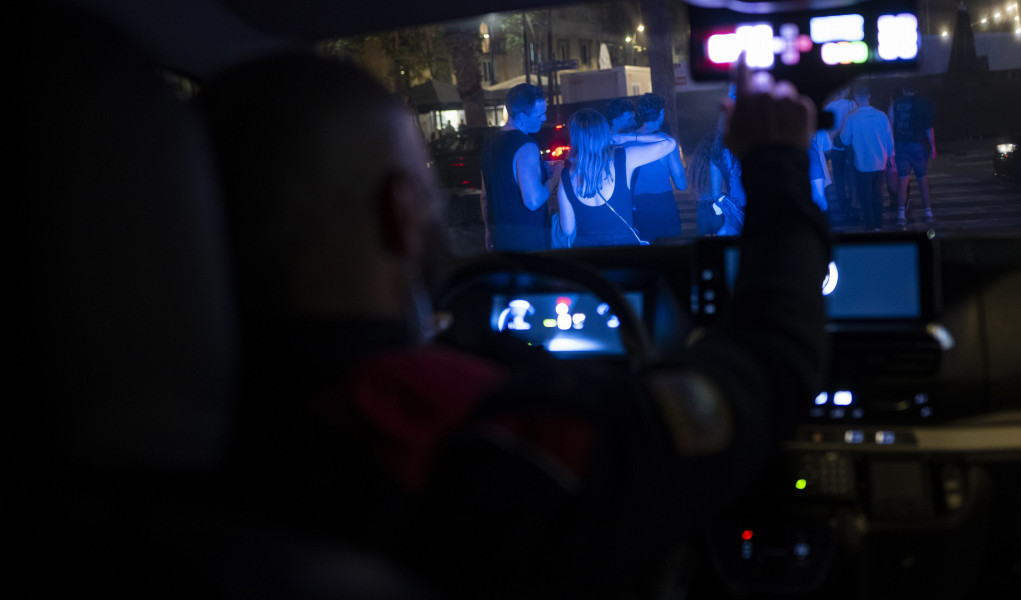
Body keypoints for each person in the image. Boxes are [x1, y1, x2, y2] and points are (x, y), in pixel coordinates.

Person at [202, 53, 829, 598]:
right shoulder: (482, 434)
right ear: (400, 211)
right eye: (425, 186)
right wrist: (776, 163)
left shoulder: (198, 428)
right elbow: (766, 375)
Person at [557, 108, 677, 247]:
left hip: (586, 250)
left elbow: (568, 229)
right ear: (604, 132)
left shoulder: (566, 176)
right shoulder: (623, 159)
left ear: (575, 137)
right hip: (623, 248)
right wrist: (627, 137)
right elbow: (669, 143)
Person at [480, 82, 562, 251]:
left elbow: (485, 196)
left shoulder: (489, 143)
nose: (544, 118)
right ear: (522, 117)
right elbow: (533, 201)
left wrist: (488, 230)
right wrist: (555, 176)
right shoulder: (527, 146)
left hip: (500, 239)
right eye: (539, 115)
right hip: (529, 240)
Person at [630, 93, 688, 241]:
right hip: (662, 204)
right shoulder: (666, 143)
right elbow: (681, 184)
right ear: (661, 113)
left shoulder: (625, 141)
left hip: (634, 205)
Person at [837, 84, 894, 231]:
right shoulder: (882, 116)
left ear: (856, 97)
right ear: (869, 96)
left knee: (865, 195)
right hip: (880, 162)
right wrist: (890, 157)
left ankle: (870, 226)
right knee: (878, 193)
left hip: (862, 163)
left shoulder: (852, 117)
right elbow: (889, 139)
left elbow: (844, 140)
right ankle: (878, 224)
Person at [888, 82, 937, 224]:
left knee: (903, 181)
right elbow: (929, 128)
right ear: (916, 90)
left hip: (901, 145)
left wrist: (891, 148)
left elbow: (890, 127)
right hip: (918, 144)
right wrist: (933, 147)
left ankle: (901, 215)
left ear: (904, 90)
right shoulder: (923, 103)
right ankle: (928, 213)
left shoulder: (895, 104)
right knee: (922, 180)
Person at [823, 88, 858, 221]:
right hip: (850, 148)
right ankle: (853, 207)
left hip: (835, 148)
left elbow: (825, 130)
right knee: (852, 179)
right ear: (846, 91)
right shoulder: (852, 104)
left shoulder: (828, 107)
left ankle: (843, 207)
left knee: (838, 180)